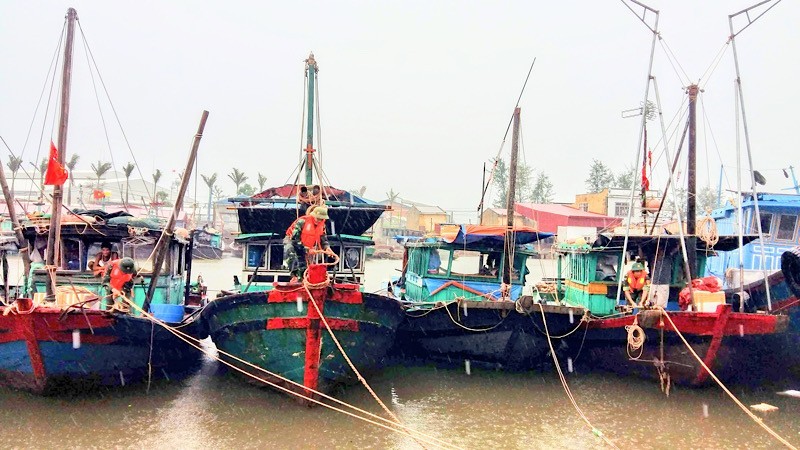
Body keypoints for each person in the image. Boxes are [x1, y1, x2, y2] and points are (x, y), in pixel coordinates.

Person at [283, 205, 334, 281]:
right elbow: (295, 240)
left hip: (307, 245)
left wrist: (327, 248)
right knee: (290, 250)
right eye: (317, 218)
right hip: (293, 241)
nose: (318, 221)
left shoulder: (322, 225)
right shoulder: (302, 222)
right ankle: (294, 275)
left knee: (304, 263)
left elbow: (323, 239)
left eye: (321, 219)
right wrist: (306, 249)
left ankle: (303, 278)